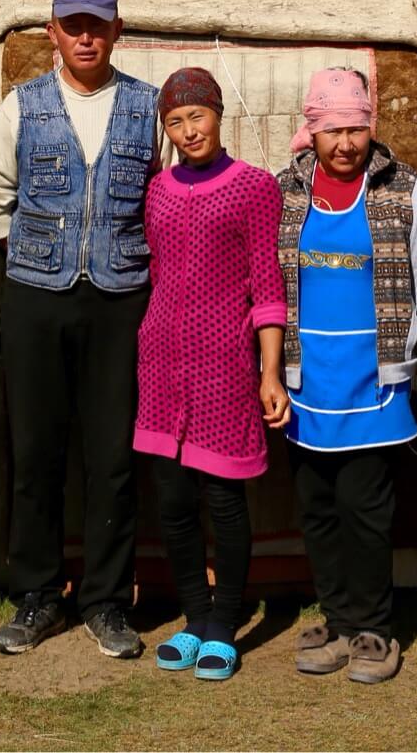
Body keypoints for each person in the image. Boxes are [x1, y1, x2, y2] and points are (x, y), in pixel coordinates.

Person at [0, 0, 161, 660]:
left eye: (98, 24)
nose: (85, 36)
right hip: (35, 294)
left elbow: (163, 197)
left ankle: (108, 601)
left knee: (112, 454)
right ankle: (35, 594)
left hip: (121, 299)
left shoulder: (149, 108)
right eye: (72, 25)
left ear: (117, 30)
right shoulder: (21, 107)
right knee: (37, 451)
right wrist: (27, 259)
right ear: (51, 32)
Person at [275, 67, 417, 685]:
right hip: (307, 381)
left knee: (364, 508)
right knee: (319, 507)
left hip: (374, 379)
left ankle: (374, 628)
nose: (345, 143)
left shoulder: (402, 190)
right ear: (313, 130)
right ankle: (338, 618)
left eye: (355, 128)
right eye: (332, 130)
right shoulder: (287, 192)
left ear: (369, 127)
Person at [133, 67, 288, 681]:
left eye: (197, 116)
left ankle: (225, 623)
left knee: (223, 497)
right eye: (175, 121)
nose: (188, 130)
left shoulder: (253, 187)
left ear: (218, 115)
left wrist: (268, 371)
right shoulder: (158, 190)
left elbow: (267, 284)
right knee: (171, 500)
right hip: (161, 362)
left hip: (225, 361)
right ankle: (194, 618)